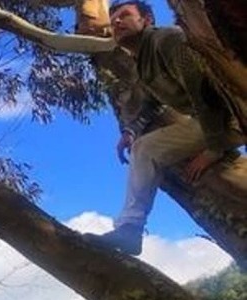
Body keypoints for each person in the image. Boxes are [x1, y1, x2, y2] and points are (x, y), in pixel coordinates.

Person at [87, 0, 244, 255]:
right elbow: (150, 102)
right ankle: (129, 230)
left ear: (147, 20)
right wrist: (130, 131)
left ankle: (130, 228)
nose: (116, 22)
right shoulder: (143, 61)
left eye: (125, 15)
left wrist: (214, 149)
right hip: (212, 120)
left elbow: (203, 90)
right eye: (113, 19)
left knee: (145, 150)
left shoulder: (168, 40)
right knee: (143, 148)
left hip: (233, 112)